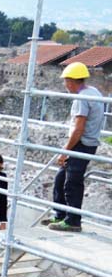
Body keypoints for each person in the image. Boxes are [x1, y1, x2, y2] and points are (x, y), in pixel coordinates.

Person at [45, 62, 105, 233]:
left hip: (82, 144)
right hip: (87, 144)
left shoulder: (81, 98)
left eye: (66, 81)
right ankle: (60, 214)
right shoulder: (93, 92)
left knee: (72, 182)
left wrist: (65, 151)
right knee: (60, 179)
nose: (65, 85)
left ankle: (72, 221)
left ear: (71, 81)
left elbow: (78, 129)